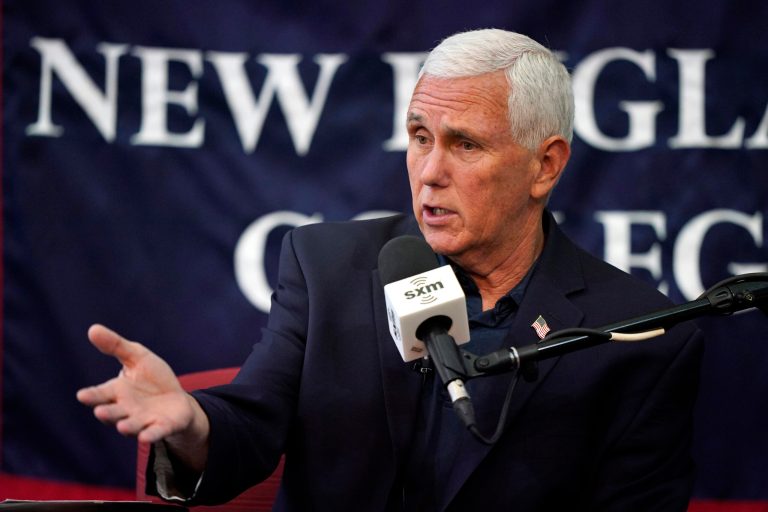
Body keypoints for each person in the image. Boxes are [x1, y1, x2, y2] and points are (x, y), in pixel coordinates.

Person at [77, 28, 703, 511]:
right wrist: (193, 423)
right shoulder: (329, 269)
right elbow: (251, 424)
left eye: (465, 144)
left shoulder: (638, 336)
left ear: (545, 166)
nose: (430, 171)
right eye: (419, 136)